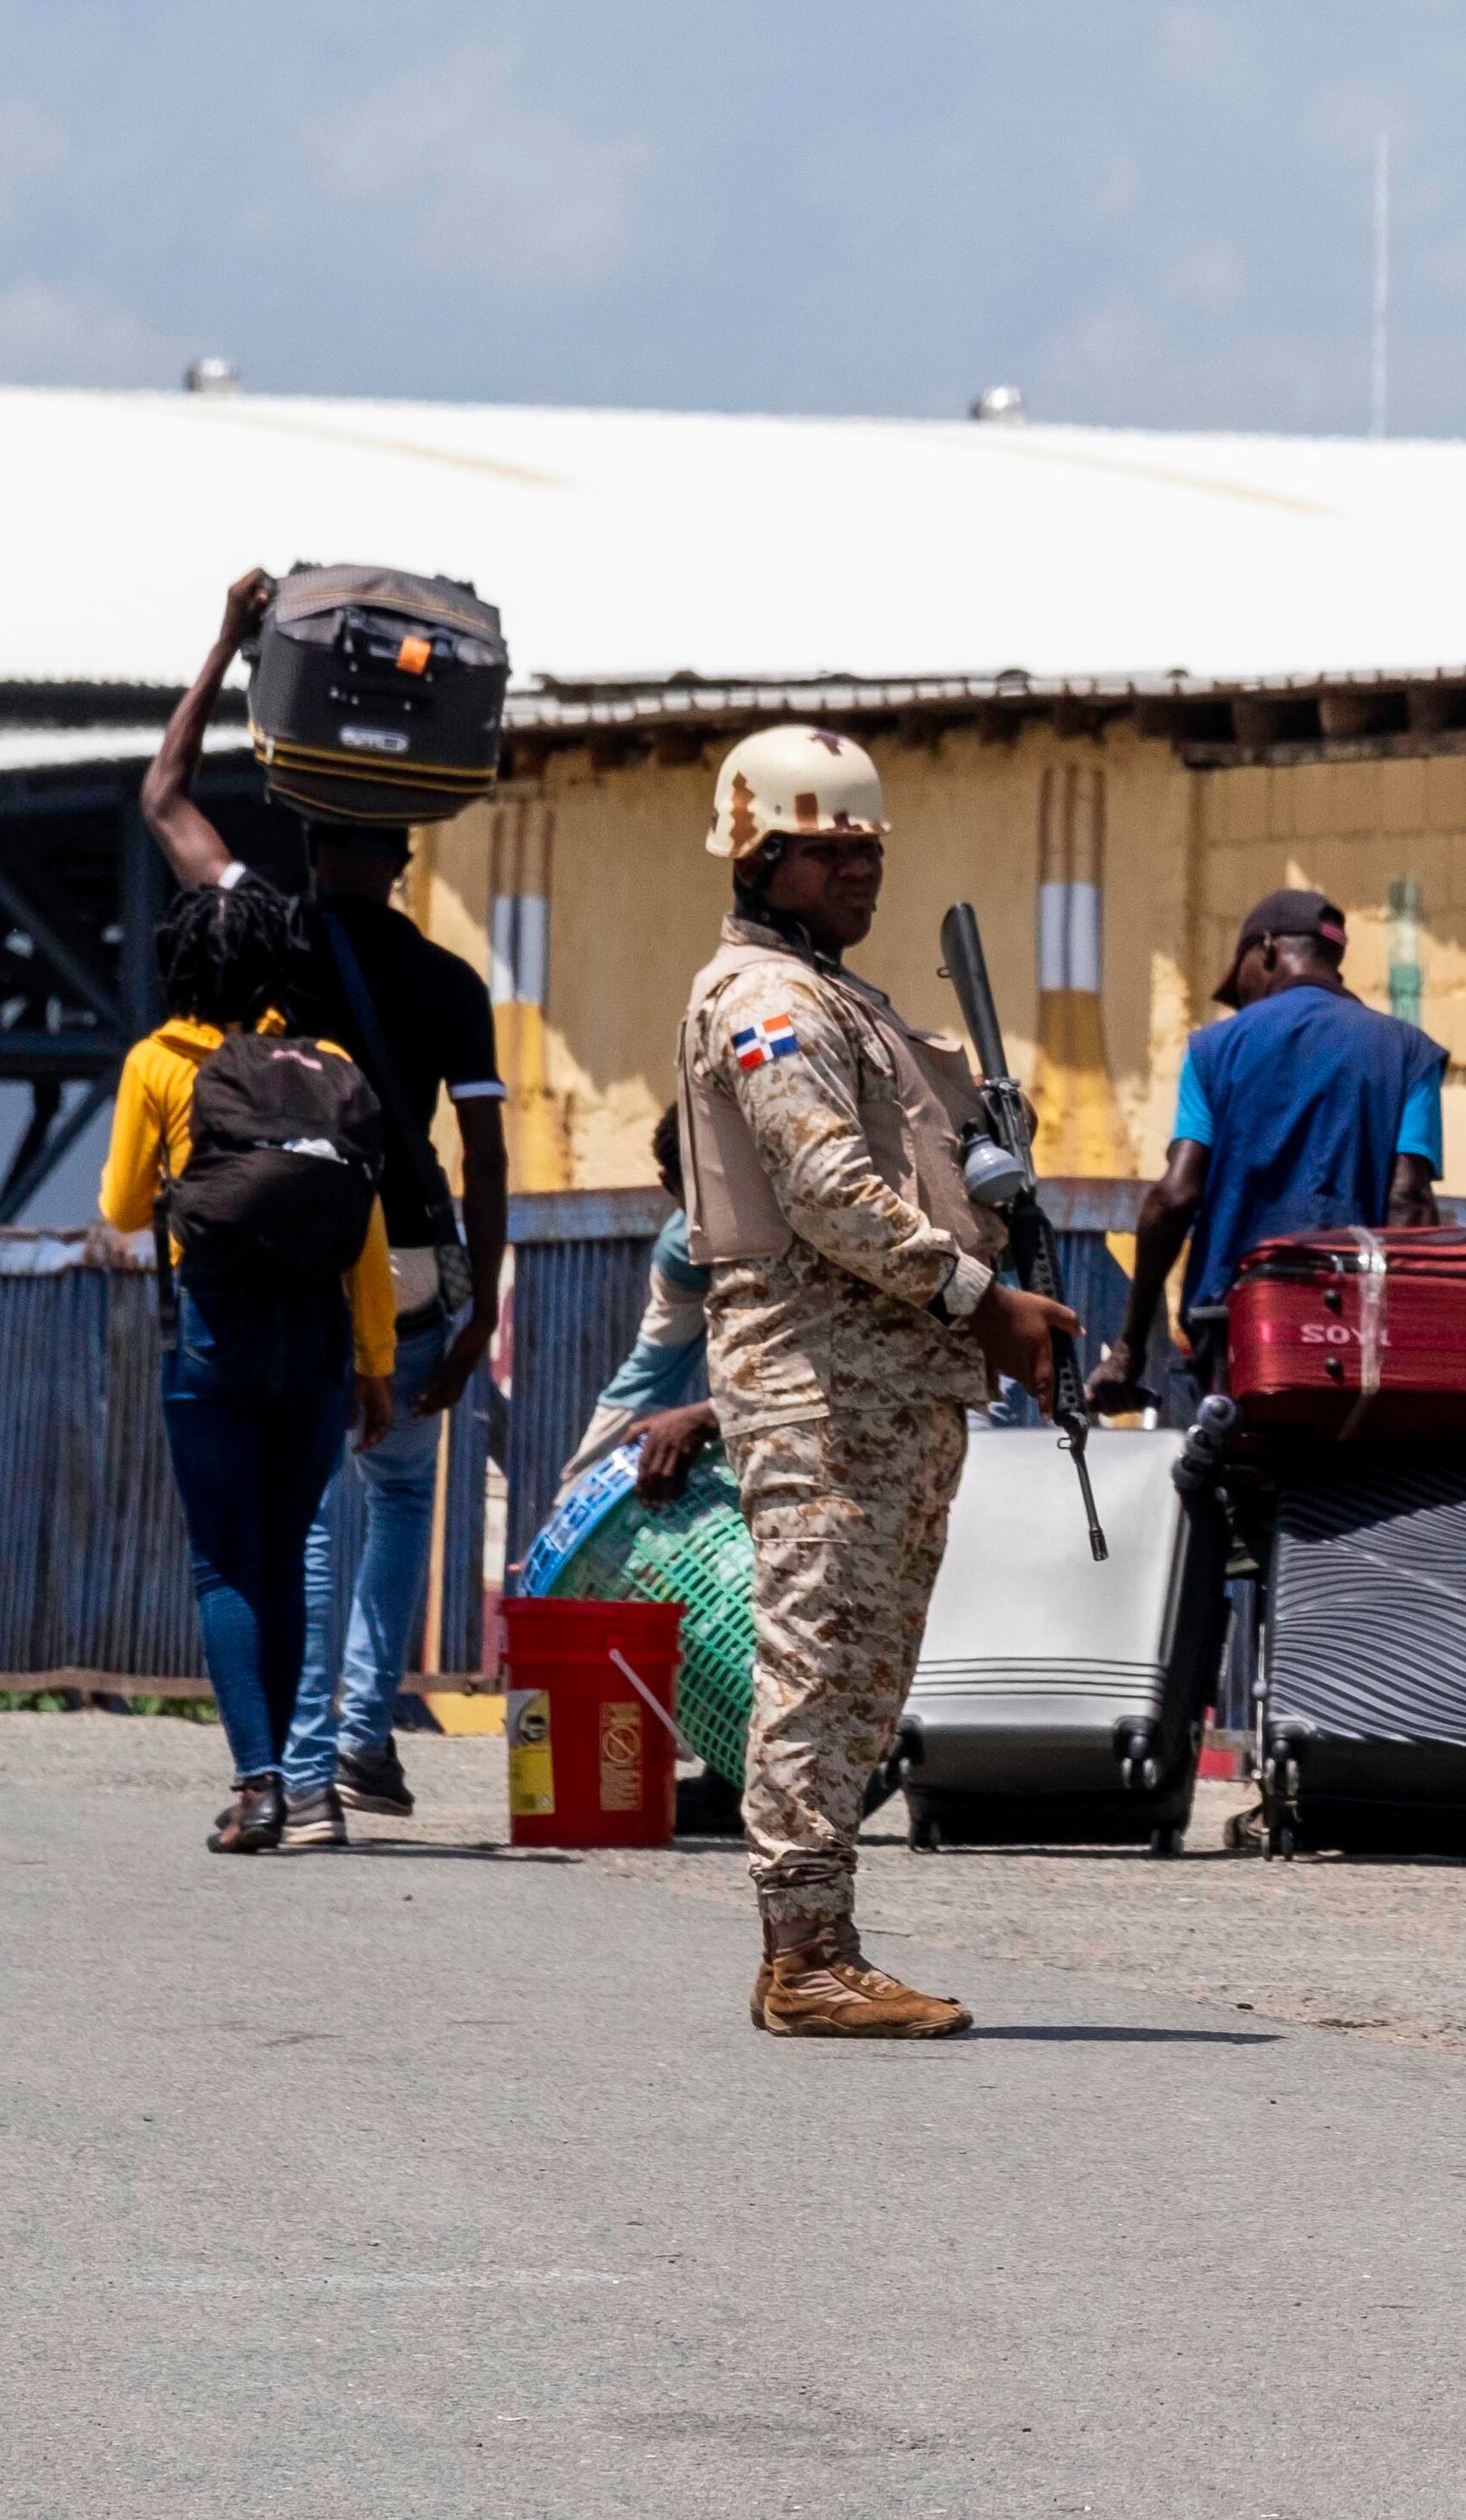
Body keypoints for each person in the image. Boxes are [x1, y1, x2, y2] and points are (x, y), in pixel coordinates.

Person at [677, 723, 1080, 2038]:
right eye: (828, 850)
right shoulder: (770, 1001)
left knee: (862, 1669)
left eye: (867, 849)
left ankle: (822, 1942)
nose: (859, 870)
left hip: (890, 1388)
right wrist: (981, 1299)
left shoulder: (840, 995)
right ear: (758, 855)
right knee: (820, 1658)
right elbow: (827, 1189)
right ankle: (805, 1954)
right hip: (820, 1383)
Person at [142, 567, 510, 1825]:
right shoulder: (454, 985)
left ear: (308, 841)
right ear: (406, 858)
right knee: (402, 1494)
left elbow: (165, 796)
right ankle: (363, 1736)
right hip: (412, 1266)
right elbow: (489, 1159)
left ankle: (301, 1774)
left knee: (296, 1520)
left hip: (294, 1260)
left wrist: (224, 642)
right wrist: (479, 1306)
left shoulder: (264, 938)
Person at [99, 881, 398, 1854]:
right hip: (317, 1336)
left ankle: (260, 1786)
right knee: (285, 1554)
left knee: (224, 1561)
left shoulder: (158, 1062)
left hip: (215, 1331)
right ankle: (298, 1787)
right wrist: (377, 1363)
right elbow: (364, 1228)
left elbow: (122, 1208)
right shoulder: (326, 1064)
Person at [1088, 887, 1443, 1415]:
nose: (1245, 1003)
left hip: (1237, 1336)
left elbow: (1176, 1196)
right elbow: (1409, 1201)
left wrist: (1129, 1348)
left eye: (1241, 985)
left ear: (1269, 949)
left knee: (1226, 1462)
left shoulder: (1212, 1050)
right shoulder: (1412, 1053)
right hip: (1358, 1341)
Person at [562, 1106, 717, 1498]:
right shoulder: (683, 1252)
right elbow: (648, 1378)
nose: (724, 1209)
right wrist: (575, 1496)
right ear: (671, 1187)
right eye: (703, 1192)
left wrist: (711, 1416)